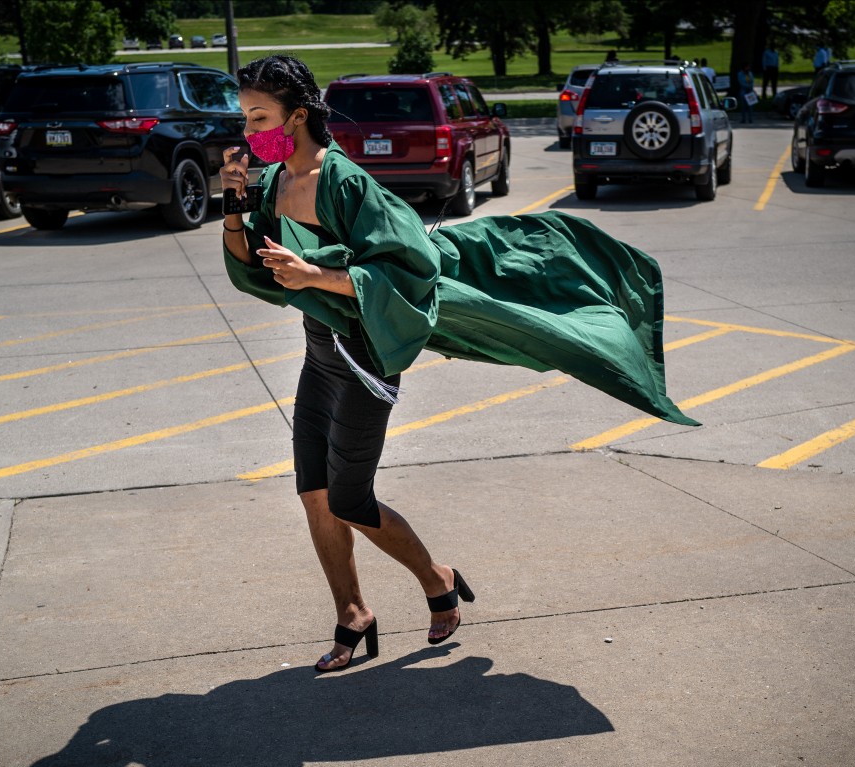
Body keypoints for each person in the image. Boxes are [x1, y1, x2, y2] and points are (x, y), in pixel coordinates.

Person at [220, 55, 696, 673]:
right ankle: (352, 614)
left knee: (350, 500)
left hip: (364, 359)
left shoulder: (342, 181)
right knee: (313, 495)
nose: (251, 131)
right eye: (246, 118)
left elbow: (411, 265)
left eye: (261, 117)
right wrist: (233, 203)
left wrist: (319, 274)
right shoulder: (273, 182)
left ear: (299, 115)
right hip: (319, 354)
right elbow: (250, 264)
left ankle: (437, 578)